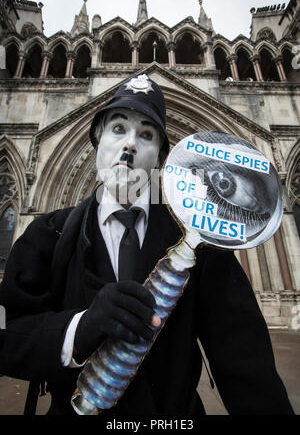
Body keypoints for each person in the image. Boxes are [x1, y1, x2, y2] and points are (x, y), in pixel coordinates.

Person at [0, 75, 294, 416]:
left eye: (146, 134)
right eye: (118, 128)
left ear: (161, 158)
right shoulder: (48, 234)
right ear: (96, 141)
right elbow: (8, 335)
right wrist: (78, 329)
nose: (130, 145)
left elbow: (244, 361)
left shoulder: (202, 243)